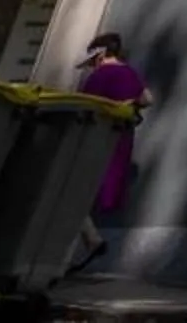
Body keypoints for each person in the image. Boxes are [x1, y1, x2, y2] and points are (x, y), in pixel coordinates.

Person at [69, 33, 149, 274]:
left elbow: (83, 106)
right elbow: (147, 98)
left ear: (100, 55)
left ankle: (89, 241)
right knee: (85, 195)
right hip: (120, 142)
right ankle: (90, 240)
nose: (91, 66)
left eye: (92, 61)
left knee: (68, 193)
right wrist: (129, 105)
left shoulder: (99, 76)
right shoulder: (131, 73)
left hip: (94, 140)